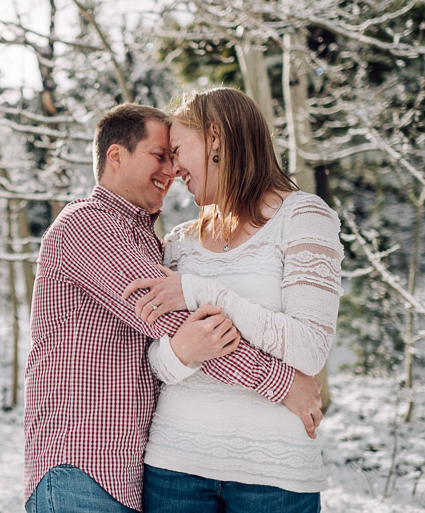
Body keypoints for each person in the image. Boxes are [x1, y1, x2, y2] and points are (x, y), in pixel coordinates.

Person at [23, 102, 323, 513]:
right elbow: (178, 323)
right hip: (81, 464)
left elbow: (169, 352)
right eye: (158, 155)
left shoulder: (150, 242)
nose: (171, 170)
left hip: (128, 473)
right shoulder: (86, 226)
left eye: (175, 154)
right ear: (116, 156)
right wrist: (283, 383)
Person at [123, 88, 344, 513]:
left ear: (216, 138)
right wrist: (180, 353)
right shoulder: (178, 243)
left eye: (178, 150)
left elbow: (309, 348)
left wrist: (202, 291)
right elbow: (150, 361)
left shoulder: (303, 217)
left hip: (274, 478)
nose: (172, 169)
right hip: (175, 468)